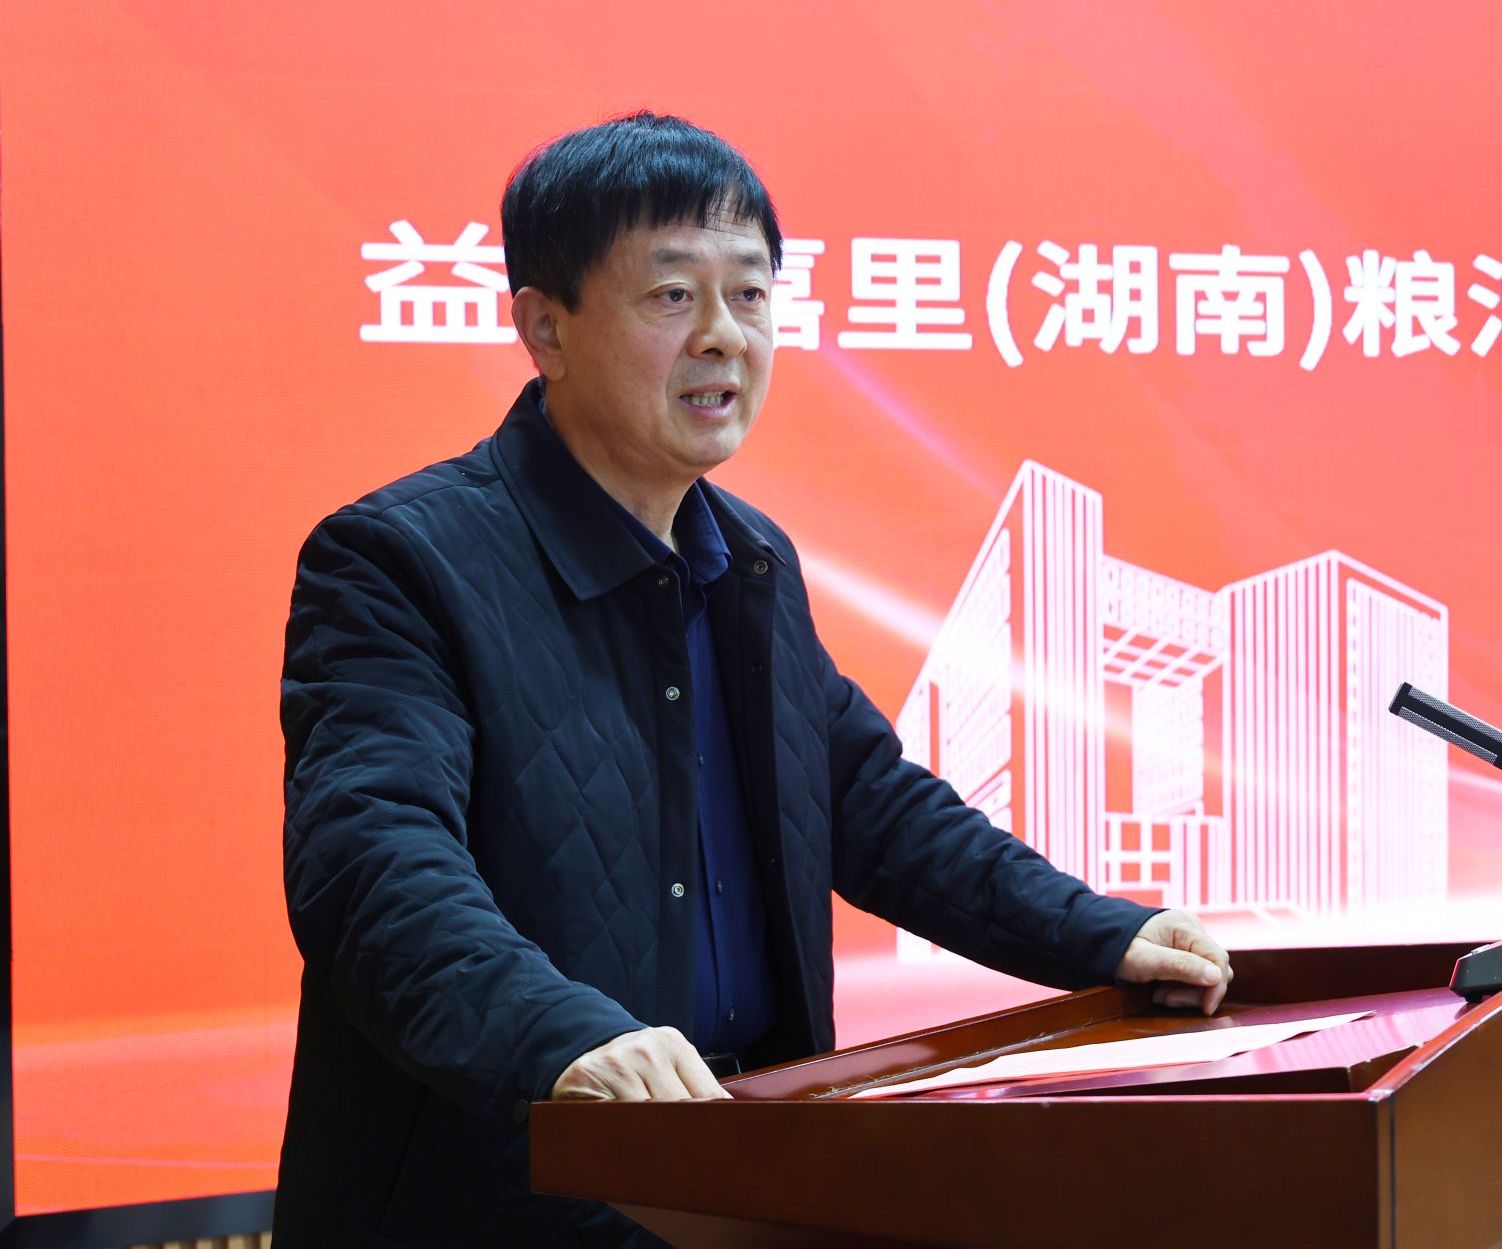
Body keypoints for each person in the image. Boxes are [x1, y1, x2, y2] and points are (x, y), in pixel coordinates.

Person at [275, 112, 1232, 1247]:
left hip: (743, 1177)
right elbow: (371, 865)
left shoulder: (748, 559)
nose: (723, 336)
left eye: (749, 294)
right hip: (514, 1189)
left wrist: (1097, 933)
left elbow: (869, 804)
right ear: (545, 328)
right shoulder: (400, 560)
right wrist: (563, 1037)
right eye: (672, 295)